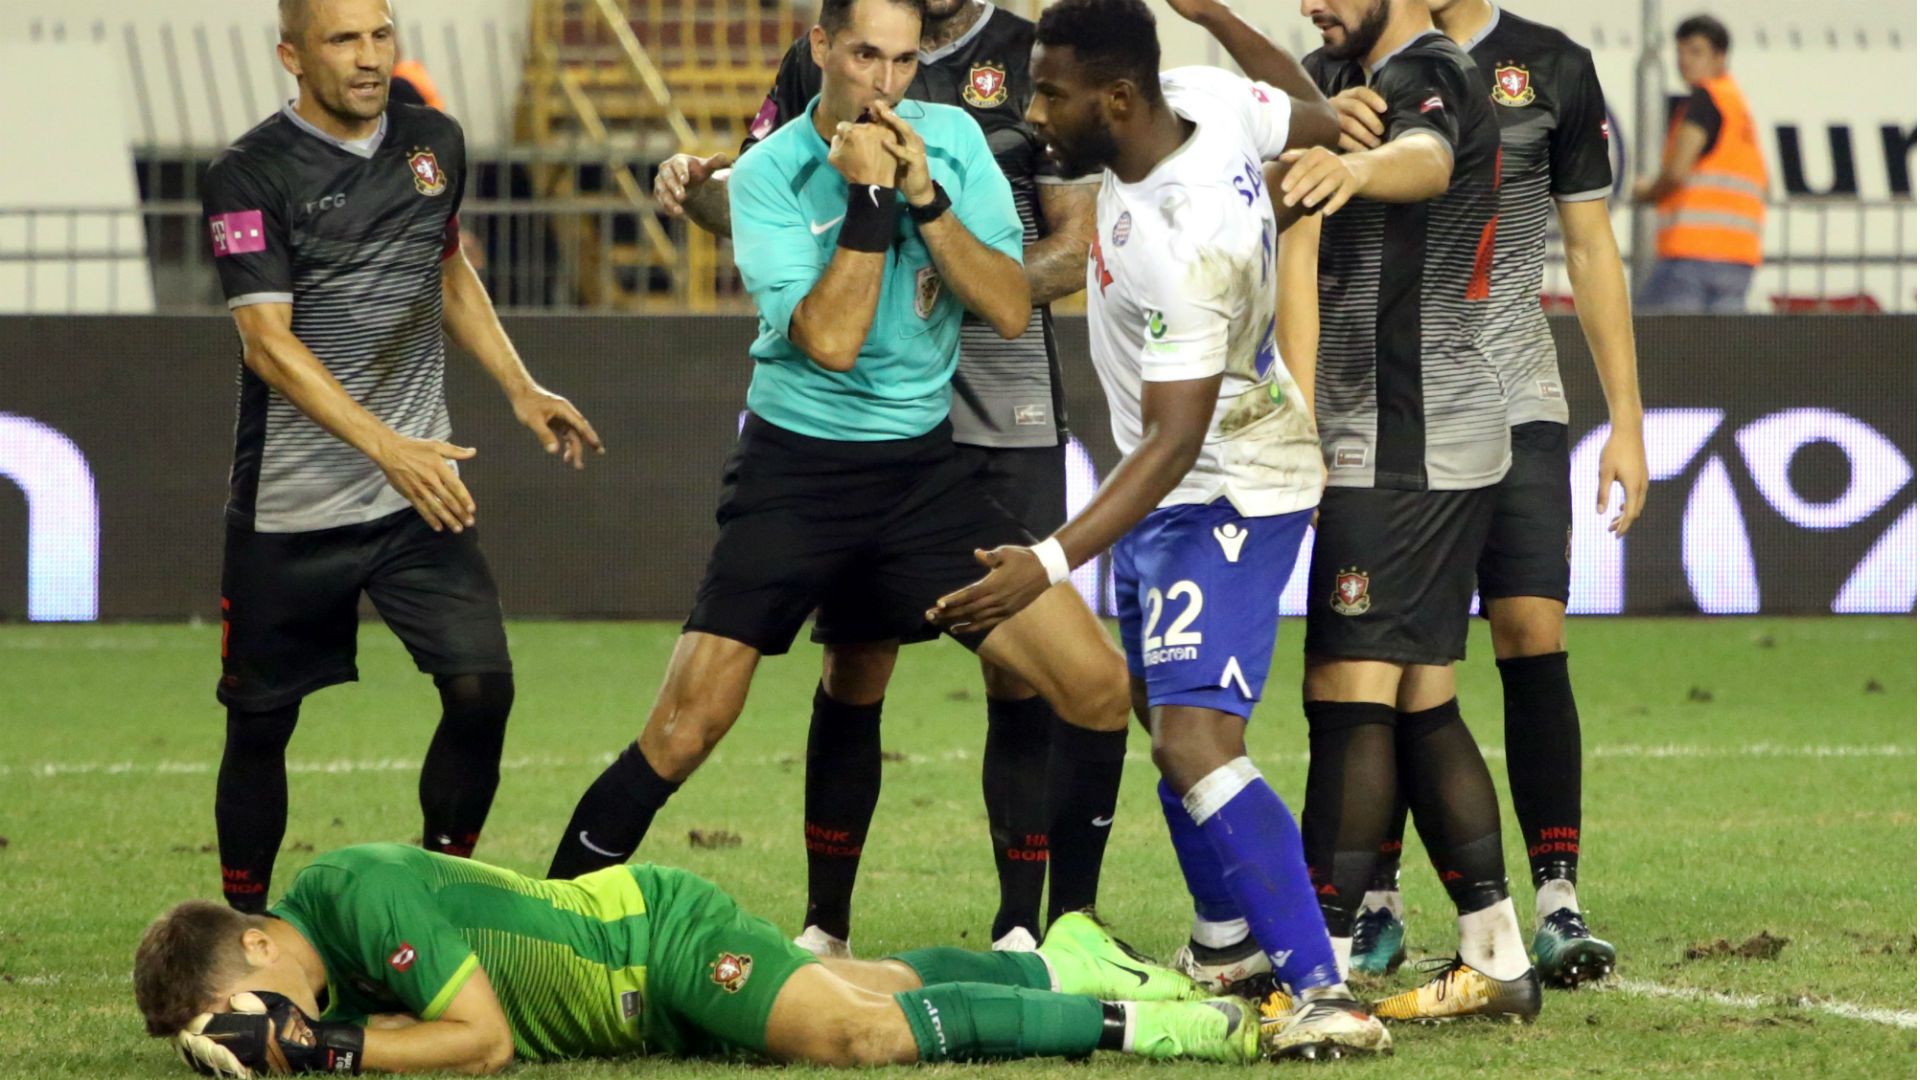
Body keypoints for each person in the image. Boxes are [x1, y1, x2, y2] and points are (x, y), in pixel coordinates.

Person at [543, 0, 1134, 941]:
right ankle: (546, 925)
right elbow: (827, 339)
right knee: (687, 728)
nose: (885, 82)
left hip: (921, 475)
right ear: (820, 48)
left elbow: (1011, 309)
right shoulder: (772, 176)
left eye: (901, 61)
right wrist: (867, 199)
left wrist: (926, 197)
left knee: (1096, 684)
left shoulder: (951, 139)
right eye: (864, 55)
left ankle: (1072, 938)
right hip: (795, 473)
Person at [929, 0, 1389, 1060]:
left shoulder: (1183, 245)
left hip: (1224, 486)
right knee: (1161, 716)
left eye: (1051, 92)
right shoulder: (1205, 97)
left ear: (1118, 99)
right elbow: (1315, 115)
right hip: (1180, 485)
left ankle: (1322, 990)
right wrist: (1216, 16)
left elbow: (1173, 442)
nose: (1035, 111)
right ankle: (1227, 944)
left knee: (1193, 738)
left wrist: (1046, 563)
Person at [201, 0, 600, 913]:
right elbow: (267, 342)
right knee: (260, 725)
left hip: (415, 499)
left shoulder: (435, 143)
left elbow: (445, 264)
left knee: (481, 689)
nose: (370, 56)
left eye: (381, 35)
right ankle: (246, 926)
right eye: (344, 39)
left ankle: (441, 886)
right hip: (292, 507)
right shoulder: (249, 173)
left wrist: (519, 384)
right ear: (292, 57)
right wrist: (388, 448)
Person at [1199, 0, 1539, 1021]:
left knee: (1348, 697)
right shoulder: (1343, 78)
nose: (1313, 5)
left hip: (1405, 440)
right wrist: (1216, 20)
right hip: (1409, 435)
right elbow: (1293, 117)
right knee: (1418, 696)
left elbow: (1426, 158)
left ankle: (1322, 965)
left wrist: (1348, 169)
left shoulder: (1436, 71)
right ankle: (1498, 957)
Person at [1319, 0, 1648, 989]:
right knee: (1396, 664)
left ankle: (1556, 900)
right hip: (1392, 412)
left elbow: (1588, 246)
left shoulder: (1552, 63)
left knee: (1529, 632)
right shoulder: (1338, 66)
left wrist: (1625, 418)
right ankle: (1376, 902)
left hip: (1519, 399)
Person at [136, 844, 1276, 1073]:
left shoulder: (357, 892)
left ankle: (1148, 1029)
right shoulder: (320, 960)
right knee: (868, 987)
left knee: (853, 1037)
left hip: (653, 940)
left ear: (255, 943)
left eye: (249, 1008)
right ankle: (1060, 962)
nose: (264, 1028)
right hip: (637, 1002)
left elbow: (478, 1046)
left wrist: (323, 1052)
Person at [1631, 14, 1767, 313]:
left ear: (1720, 57)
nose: (1684, 61)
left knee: (1658, 346)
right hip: (1738, 261)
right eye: (1680, 51)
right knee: (1719, 354)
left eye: (1695, 51)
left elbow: (1677, 171)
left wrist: (1645, 192)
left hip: (1690, 256)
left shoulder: (1705, 100)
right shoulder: (1737, 108)